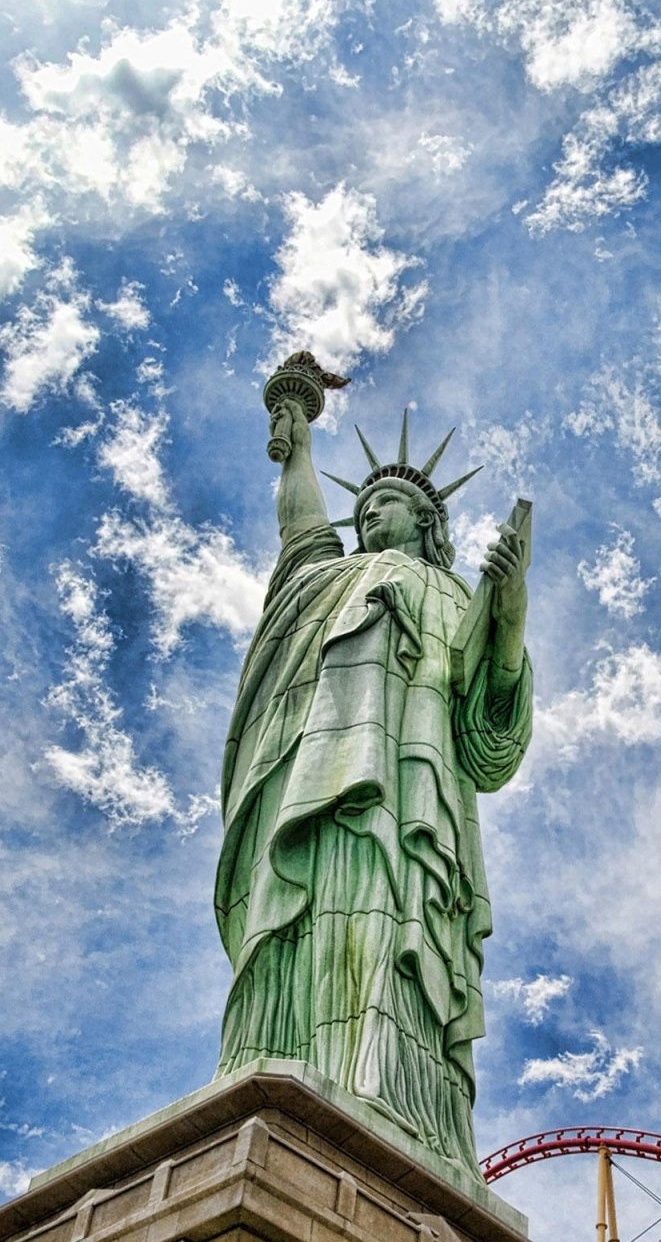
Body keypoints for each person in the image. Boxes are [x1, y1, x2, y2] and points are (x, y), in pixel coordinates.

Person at [214, 395, 532, 1174]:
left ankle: (392, 1092)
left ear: (427, 520)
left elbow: (489, 741)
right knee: (299, 929)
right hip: (307, 783)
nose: (370, 516)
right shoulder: (328, 575)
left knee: (391, 936)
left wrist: (511, 616)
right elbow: (301, 531)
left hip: (407, 798)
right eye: (363, 505)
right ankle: (272, 1067)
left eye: (384, 503)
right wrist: (295, 442)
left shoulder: (456, 595)